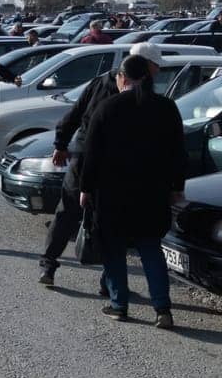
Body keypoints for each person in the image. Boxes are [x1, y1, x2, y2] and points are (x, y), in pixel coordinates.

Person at [39, 42, 165, 288]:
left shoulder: (105, 82)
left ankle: (103, 280)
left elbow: (74, 115)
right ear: (144, 65)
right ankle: (56, 266)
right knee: (92, 218)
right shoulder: (125, 91)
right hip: (101, 163)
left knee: (78, 216)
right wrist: (60, 143)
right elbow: (76, 114)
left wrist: (62, 143)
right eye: (155, 67)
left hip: (90, 159)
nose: (157, 72)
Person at [79, 53, 185, 328]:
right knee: (151, 248)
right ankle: (162, 308)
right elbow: (178, 153)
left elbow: (90, 154)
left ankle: (119, 304)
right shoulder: (166, 108)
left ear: (122, 78)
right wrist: (177, 187)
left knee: (113, 250)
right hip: (153, 192)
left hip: (112, 194)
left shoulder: (107, 108)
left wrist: (85, 188)